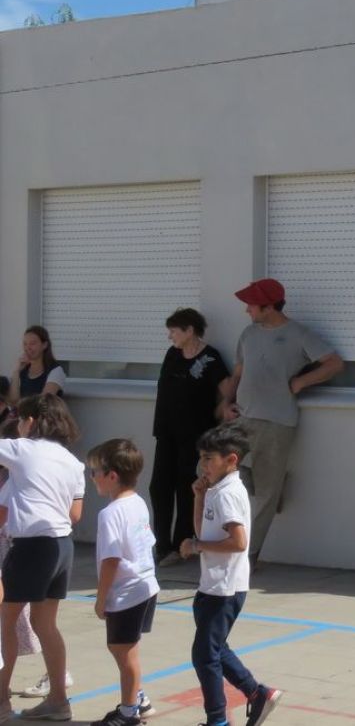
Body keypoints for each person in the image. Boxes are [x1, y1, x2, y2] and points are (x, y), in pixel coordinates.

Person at [220, 279, 343, 564]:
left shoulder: (298, 334)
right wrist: (227, 404)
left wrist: (302, 381)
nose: (247, 310)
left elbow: (334, 363)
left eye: (251, 304)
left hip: (276, 422)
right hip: (243, 418)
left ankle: (248, 556)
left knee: (264, 496)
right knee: (208, 466)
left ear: (269, 306)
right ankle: (275, 486)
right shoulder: (248, 334)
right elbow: (239, 373)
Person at [179, 424, 283, 726]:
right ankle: (257, 693)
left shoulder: (228, 494)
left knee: (204, 655)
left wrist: (197, 546)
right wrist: (198, 497)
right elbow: (204, 530)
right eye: (201, 458)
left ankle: (218, 720)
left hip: (225, 588)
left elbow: (238, 543)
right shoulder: (216, 490)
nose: (203, 465)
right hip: (212, 584)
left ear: (231, 460)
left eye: (209, 459)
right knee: (215, 649)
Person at [0, 395, 84, 722]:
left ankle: (2, 703)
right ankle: (59, 701)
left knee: (5, 622)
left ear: (32, 421)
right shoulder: (72, 462)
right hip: (62, 545)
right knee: (45, 624)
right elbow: (75, 513)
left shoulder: (23, 449)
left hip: (32, 545)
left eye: (21, 419)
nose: (18, 425)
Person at [87, 439, 159, 726]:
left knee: (123, 651)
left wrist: (101, 598)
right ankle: (138, 697)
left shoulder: (110, 514)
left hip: (127, 593)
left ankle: (130, 712)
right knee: (124, 648)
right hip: (145, 587)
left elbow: (111, 560)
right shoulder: (138, 502)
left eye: (94, 472)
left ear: (112, 476)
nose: (92, 477)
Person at [150, 308, 230, 566]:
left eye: (174, 331)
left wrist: (221, 409)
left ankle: (180, 544)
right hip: (166, 432)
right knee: (160, 486)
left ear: (189, 331)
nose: (170, 336)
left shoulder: (210, 358)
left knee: (187, 488)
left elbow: (228, 389)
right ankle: (161, 545)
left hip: (195, 436)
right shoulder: (172, 355)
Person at [0, 408, 42, 696]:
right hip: (18, 551)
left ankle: (56, 672)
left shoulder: (16, 482)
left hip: (13, 552)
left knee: (18, 621)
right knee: (22, 621)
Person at [6, 327, 65, 405]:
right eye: (25, 344)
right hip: (23, 416)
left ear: (44, 345)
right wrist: (16, 371)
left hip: (45, 417)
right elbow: (13, 401)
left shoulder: (56, 371)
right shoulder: (23, 371)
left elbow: (43, 401)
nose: (28, 348)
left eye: (32, 343)